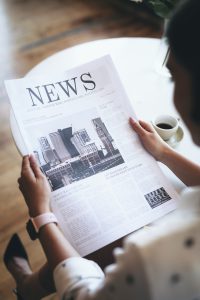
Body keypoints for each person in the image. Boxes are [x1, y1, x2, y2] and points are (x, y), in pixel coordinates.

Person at [4, 0, 200, 299]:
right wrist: (164, 153)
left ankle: (27, 287)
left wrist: (41, 214)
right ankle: (28, 288)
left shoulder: (161, 252)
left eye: (173, 77)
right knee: (104, 238)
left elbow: (85, 294)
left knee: (104, 243)